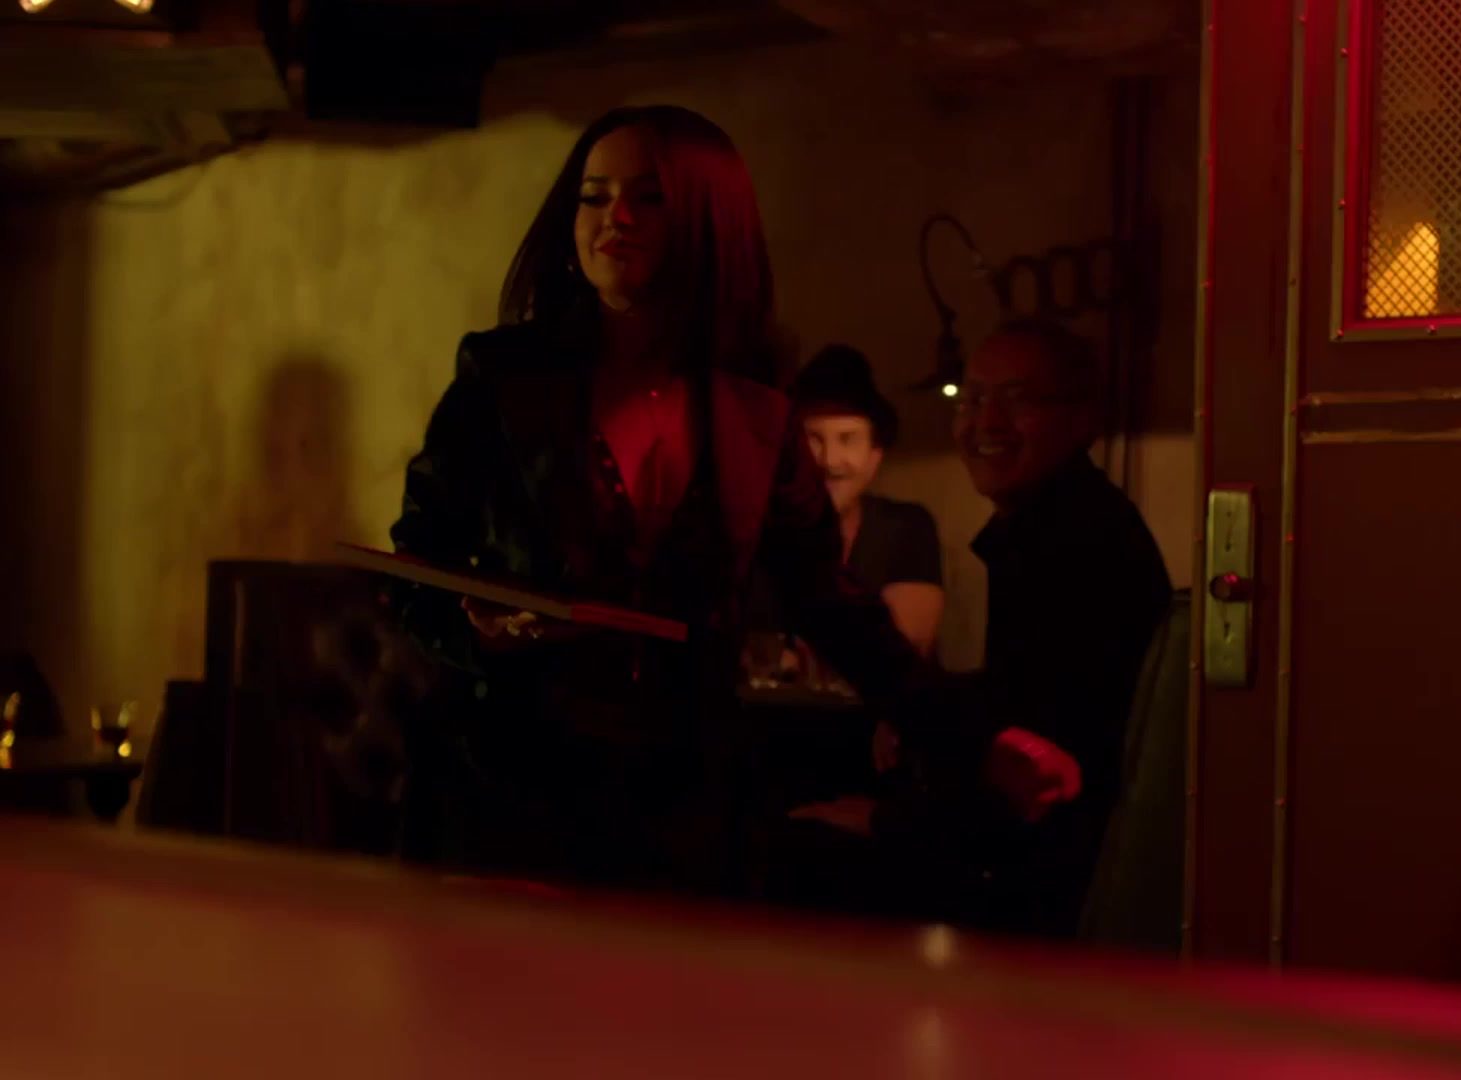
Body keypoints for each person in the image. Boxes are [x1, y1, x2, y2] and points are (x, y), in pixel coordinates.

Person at [386, 105, 1077, 896]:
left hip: (677, 810)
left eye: (648, 198)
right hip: (504, 790)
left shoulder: (753, 408)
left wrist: (974, 741)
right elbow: (415, 561)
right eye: (593, 195)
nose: (614, 218)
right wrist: (475, 631)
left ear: (710, 225)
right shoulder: (506, 376)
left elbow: (832, 602)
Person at [794, 319, 1172, 938]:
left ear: (1085, 420)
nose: (986, 423)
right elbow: (1026, 694)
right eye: (971, 401)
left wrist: (891, 821)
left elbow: (1048, 763)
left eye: (1019, 400)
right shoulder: (1053, 525)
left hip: (1046, 889)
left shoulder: (1078, 547)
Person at [791, 345, 944, 658]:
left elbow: (901, 651)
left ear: (875, 453)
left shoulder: (904, 527)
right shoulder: (758, 532)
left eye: (847, 439)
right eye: (813, 439)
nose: (829, 460)